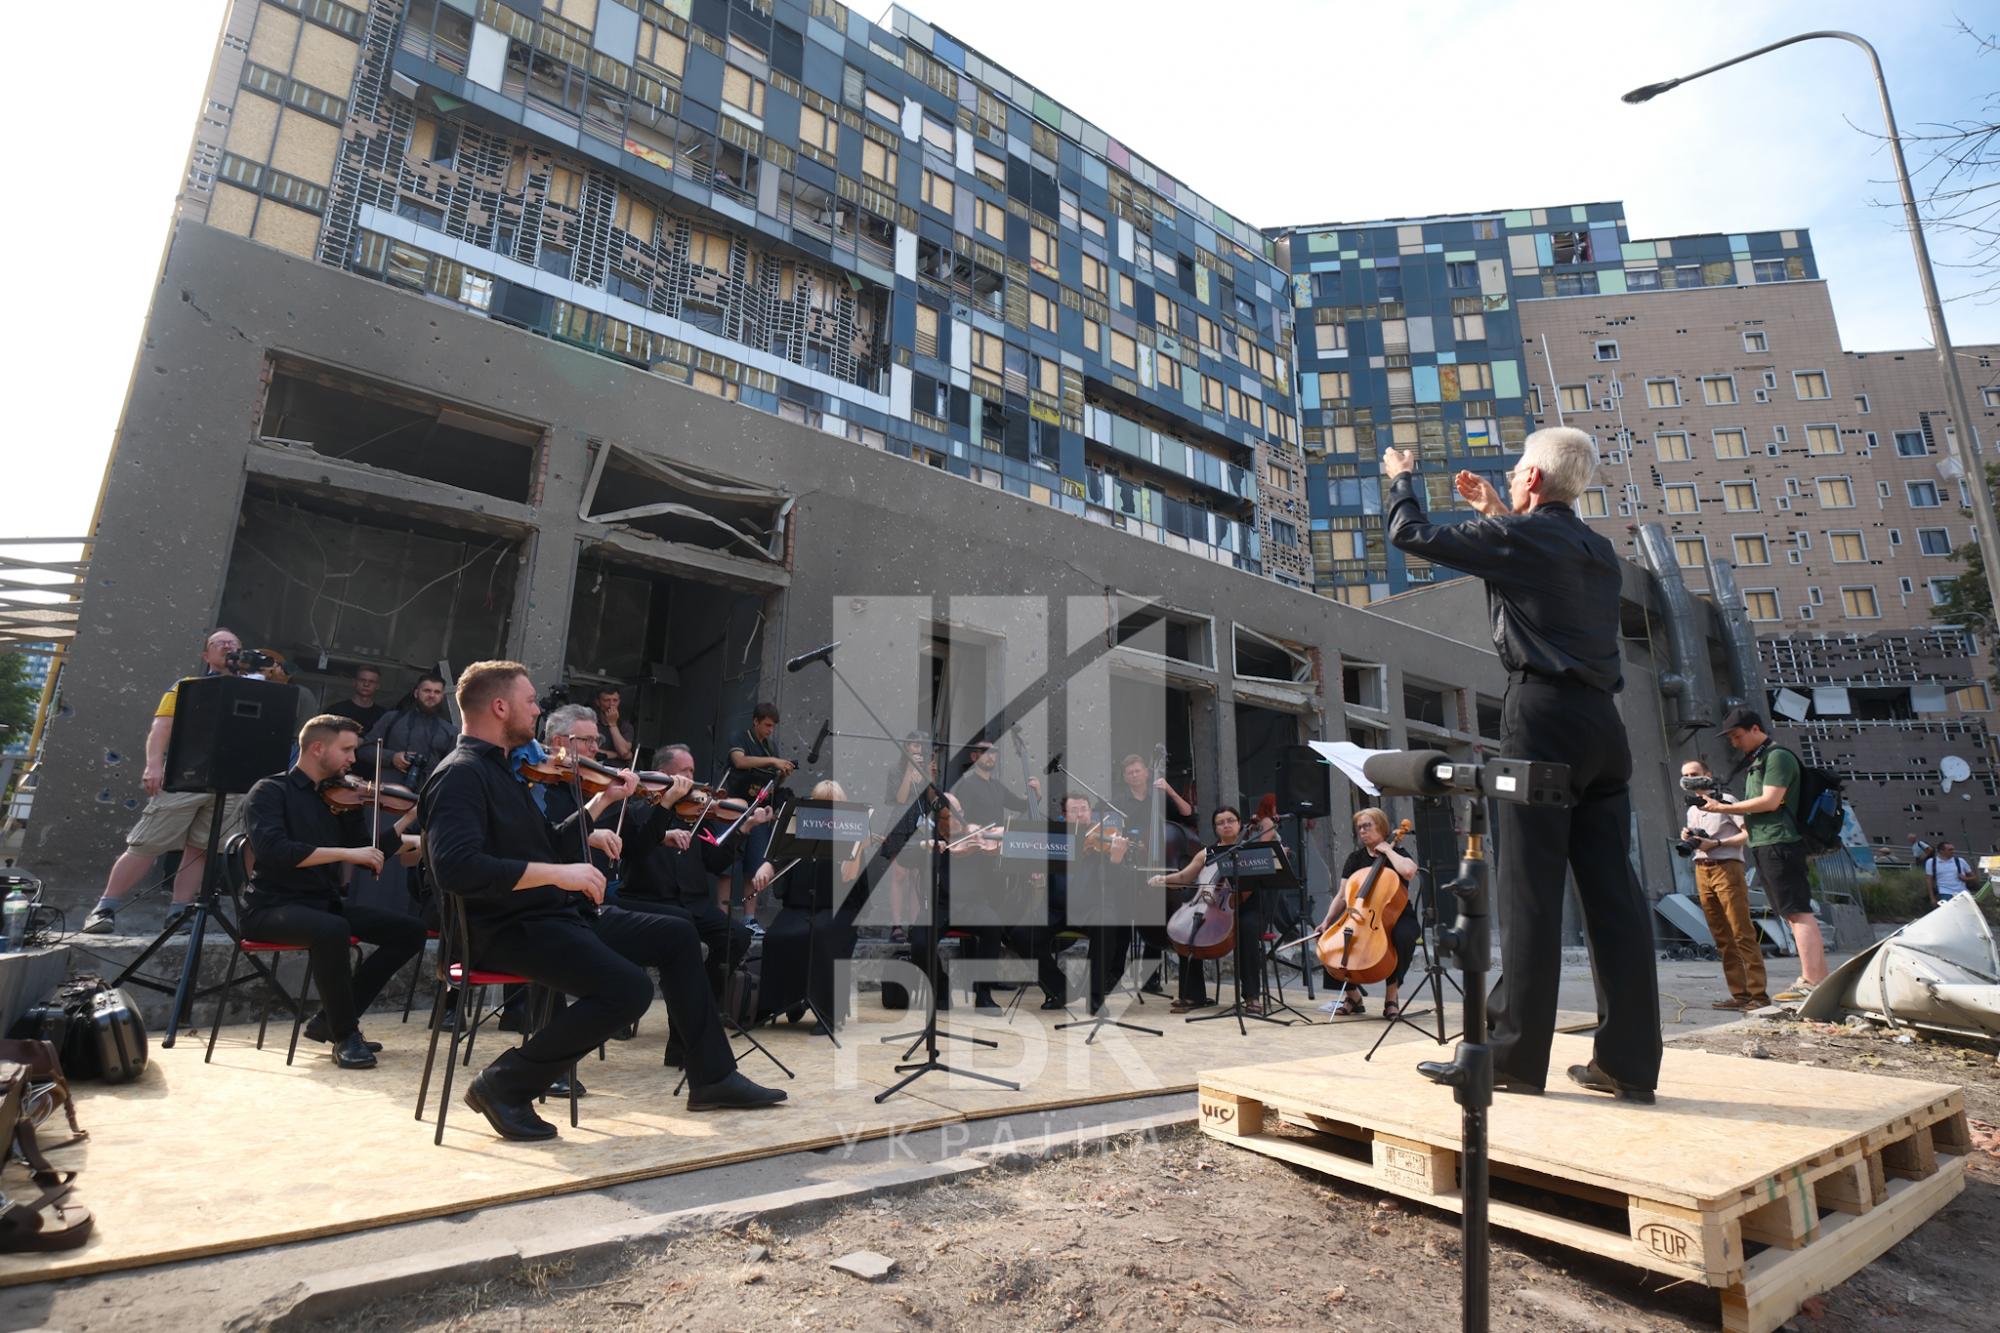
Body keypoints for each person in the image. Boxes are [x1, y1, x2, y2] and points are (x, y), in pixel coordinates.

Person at [1384, 427, 1662, 1102]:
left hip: (1541, 719)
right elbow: (1541, 562)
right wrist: (1495, 513)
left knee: (1529, 893)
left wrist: (1400, 479)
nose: (1507, 480)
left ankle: (1510, 1058)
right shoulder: (1597, 552)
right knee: (1614, 900)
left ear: (1534, 480)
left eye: (1514, 475)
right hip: (1605, 729)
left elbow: (1412, 536)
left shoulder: (1524, 538)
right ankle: (1627, 1063)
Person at [420, 660, 783, 1141]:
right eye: (530, 701)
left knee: (677, 934)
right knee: (628, 990)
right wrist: (563, 873)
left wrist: (601, 802)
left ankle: (712, 1077)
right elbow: (456, 868)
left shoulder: (506, 772)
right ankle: (505, 1083)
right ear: (500, 706)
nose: (537, 710)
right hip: (503, 930)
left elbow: (547, 843)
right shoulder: (461, 775)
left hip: (551, 916)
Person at [240, 715, 426, 1068]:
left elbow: (369, 850)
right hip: (270, 907)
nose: (353, 760)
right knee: (332, 929)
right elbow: (274, 851)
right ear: (316, 748)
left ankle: (331, 1019)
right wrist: (344, 853)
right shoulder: (269, 791)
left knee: (410, 932)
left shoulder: (338, 798)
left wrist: (408, 817)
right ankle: (345, 1035)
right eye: (347, 750)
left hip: (321, 904)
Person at [82, 628, 251, 935]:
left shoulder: (252, 687)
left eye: (233, 643)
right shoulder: (187, 686)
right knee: (148, 843)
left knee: (199, 848)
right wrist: (153, 766)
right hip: (186, 777)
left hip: (228, 781)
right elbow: (161, 728)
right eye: (219, 643)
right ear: (206, 655)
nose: (228, 647)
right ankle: (105, 907)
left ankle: (178, 912)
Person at [1705, 708, 1827, 1006]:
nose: (1735, 743)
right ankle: (1814, 978)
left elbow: (1770, 801)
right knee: (1791, 911)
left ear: (1755, 729)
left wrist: (1722, 809)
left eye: (1737, 736)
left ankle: (1813, 980)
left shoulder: (1777, 757)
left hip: (1780, 842)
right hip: (1766, 843)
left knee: (1797, 911)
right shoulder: (1760, 760)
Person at [750, 779, 869, 1031]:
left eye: (833, 806)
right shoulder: (801, 824)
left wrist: (857, 847)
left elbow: (849, 877)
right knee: (778, 936)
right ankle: (787, 1000)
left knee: (823, 936)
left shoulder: (853, 829)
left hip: (839, 908)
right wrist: (767, 865)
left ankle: (827, 1012)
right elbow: (781, 855)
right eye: (822, 805)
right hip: (801, 905)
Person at [1150, 806, 1269, 1015]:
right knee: (1189, 928)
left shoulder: (1250, 851)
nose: (1226, 825)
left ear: (1239, 823)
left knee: (1247, 928)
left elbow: (1247, 891)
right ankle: (1193, 994)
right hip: (1212, 906)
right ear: (1215, 828)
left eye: (1230, 820)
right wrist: (1163, 879)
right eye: (1220, 822)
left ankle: (1252, 996)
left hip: (1247, 909)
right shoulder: (1207, 853)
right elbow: (1184, 877)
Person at [1679, 759, 1768, 1011]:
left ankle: (1758, 995)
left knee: (1741, 931)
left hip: (1727, 867)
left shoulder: (1726, 800)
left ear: (1707, 774)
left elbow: (1747, 834)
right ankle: (1739, 994)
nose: (1690, 779)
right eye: (1686, 775)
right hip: (1702, 869)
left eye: (1695, 773)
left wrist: (1717, 844)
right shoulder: (1692, 809)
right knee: (1722, 936)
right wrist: (1690, 837)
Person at [1319, 807, 1421, 1019]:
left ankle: (1391, 997)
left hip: (1397, 914)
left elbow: (1409, 872)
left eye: (1367, 826)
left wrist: (1388, 851)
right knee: (1329, 940)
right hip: (1361, 915)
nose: (1362, 831)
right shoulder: (1355, 859)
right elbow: (1341, 895)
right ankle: (1352, 996)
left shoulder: (1398, 854)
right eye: (1359, 828)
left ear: (1382, 828)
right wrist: (1327, 921)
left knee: (1403, 936)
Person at [724, 702, 793, 905]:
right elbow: (740, 761)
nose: (770, 731)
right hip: (734, 806)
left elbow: (773, 784)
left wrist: (783, 774)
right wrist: (772, 761)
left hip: (759, 809)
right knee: (727, 865)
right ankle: (722, 913)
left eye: (773, 727)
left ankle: (750, 918)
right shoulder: (739, 737)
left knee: (755, 864)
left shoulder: (771, 746)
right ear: (756, 721)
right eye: (767, 725)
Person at [365, 672, 456, 782]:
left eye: (437, 692)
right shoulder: (392, 718)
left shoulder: (450, 731)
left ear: (442, 696)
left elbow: (453, 771)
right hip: (385, 791)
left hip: (424, 795)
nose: (432, 695)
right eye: (427, 690)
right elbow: (364, 750)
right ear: (416, 693)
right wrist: (392, 758)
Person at [327, 666, 387, 733]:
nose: (366, 684)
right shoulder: (335, 711)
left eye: (371, 681)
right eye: (362, 680)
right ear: (354, 682)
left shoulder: (383, 716)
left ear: (377, 686)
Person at [1924, 841, 1977, 907]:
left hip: (1962, 892)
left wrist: (1966, 878)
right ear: (1941, 851)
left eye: (1953, 849)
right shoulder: (1931, 862)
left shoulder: (1960, 861)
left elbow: (1974, 877)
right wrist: (1932, 898)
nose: (1953, 851)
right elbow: (1929, 880)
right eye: (1950, 850)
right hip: (1945, 892)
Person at [594, 686, 638, 765]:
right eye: (606, 700)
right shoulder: (592, 723)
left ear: (619, 702)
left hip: (617, 772)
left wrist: (612, 724)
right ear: (598, 702)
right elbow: (587, 750)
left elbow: (624, 752)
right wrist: (617, 755)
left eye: (615, 700)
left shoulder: (625, 726)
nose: (611, 705)